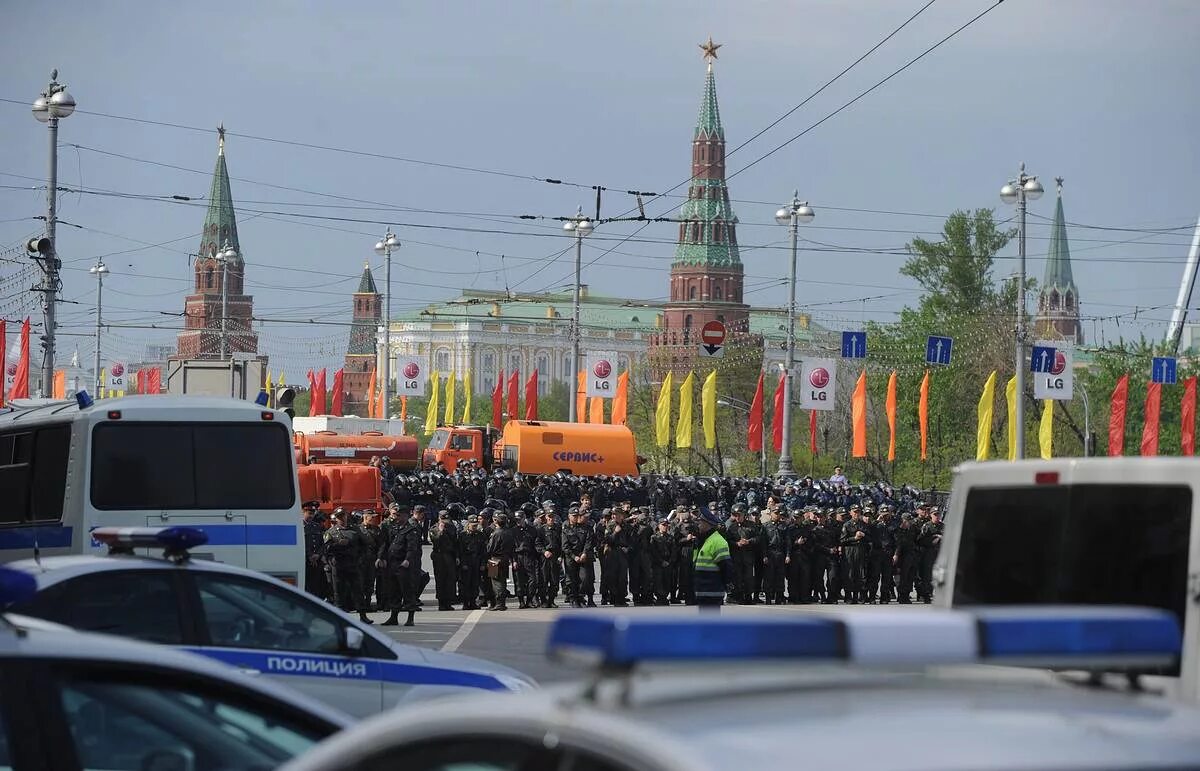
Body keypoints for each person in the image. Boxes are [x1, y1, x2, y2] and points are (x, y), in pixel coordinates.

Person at [323, 508, 372, 623]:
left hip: (353, 565)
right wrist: (337, 544)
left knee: (358, 591)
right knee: (338, 592)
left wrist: (361, 559)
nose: (342, 518)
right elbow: (326, 549)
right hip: (338, 566)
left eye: (343, 516)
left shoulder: (355, 530)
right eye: (339, 517)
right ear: (336, 518)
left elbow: (366, 544)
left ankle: (363, 616)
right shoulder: (331, 532)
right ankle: (340, 618)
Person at [378, 507, 422, 626]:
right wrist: (380, 557)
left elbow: (412, 548)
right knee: (393, 590)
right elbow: (386, 544)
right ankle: (393, 617)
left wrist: (407, 560)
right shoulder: (394, 528)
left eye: (399, 515)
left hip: (403, 565)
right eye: (396, 515)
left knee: (407, 590)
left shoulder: (410, 530)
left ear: (405, 516)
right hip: (392, 563)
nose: (396, 517)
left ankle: (410, 617)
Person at [692, 505, 733, 610]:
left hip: (712, 592)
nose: (699, 525)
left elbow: (726, 567)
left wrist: (725, 585)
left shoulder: (718, 541)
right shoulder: (705, 540)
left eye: (700, 523)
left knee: (711, 623)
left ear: (707, 524)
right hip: (703, 591)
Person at [561, 507, 595, 608]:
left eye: (577, 516)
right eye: (574, 516)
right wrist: (573, 556)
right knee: (571, 579)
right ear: (569, 516)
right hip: (571, 557)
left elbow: (588, 542)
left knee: (584, 578)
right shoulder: (566, 528)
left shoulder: (585, 527)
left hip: (582, 556)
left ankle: (580, 596)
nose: (575, 518)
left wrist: (584, 553)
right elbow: (565, 546)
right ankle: (573, 598)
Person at [485, 512, 516, 611]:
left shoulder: (496, 533)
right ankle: (501, 602)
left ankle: (499, 603)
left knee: (496, 582)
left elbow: (490, 548)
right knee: (502, 581)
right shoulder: (509, 532)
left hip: (495, 559)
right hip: (505, 558)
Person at [431, 511, 459, 611]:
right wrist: (441, 531)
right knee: (440, 579)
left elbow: (455, 542)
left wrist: (457, 557)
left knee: (450, 580)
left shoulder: (452, 527)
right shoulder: (434, 528)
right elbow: (435, 541)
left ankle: (448, 602)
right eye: (443, 520)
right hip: (439, 555)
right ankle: (441, 603)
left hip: (449, 555)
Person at [301, 501, 328, 601]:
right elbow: (301, 543)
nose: (311, 515)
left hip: (317, 560)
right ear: (303, 512)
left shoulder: (317, 526)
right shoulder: (299, 526)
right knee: (306, 584)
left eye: (313, 513)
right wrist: (310, 555)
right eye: (309, 513)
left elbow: (322, 544)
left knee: (316, 585)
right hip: (305, 560)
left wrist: (318, 555)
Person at [457, 515, 485, 610]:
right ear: (468, 524)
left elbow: (483, 551)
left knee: (475, 583)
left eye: (476, 525)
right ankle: (465, 603)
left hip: (476, 560)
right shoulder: (462, 535)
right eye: (473, 525)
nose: (474, 527)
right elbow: (460, 551)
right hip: (467, 560)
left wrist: (482, 564)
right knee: (466, 583)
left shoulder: (480, 535)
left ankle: (473, 602)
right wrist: (463, 563)